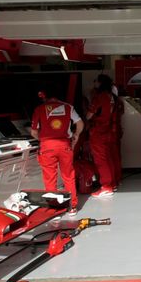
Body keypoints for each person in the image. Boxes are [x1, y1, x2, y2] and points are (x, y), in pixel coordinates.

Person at [31, 88, 84, 216]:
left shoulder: (39, 109)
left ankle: (54, 209)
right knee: (68, 176)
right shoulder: (68, 107)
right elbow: (80, 123)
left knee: (50, 178)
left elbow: (33, 132)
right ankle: (72, 207)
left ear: (45, 97)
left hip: (47, 147)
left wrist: (44, 140)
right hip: (65, 145)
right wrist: (76, 135)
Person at [87, 74, 117, 198]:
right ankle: (112, 183)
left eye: (95, 81)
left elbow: (89, 115)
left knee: (101, 160)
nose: (94, 83)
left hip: (98, 131)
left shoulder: (98, 97)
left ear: (100, 83)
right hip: (108, 130)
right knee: (108, 158)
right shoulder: (112, 96)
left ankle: (106, 186)